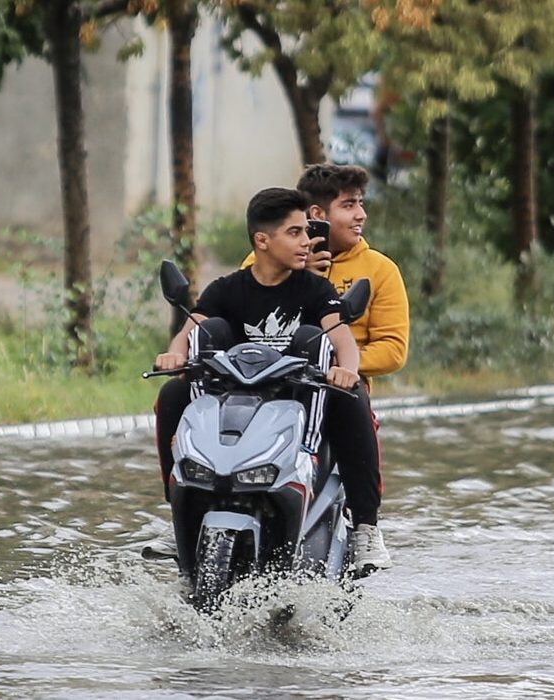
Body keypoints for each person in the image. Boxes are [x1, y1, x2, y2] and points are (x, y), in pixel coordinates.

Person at [153, 187, 392, 575]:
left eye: (307, 232)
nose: (307, 242)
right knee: (173, 392)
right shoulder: (227, 289)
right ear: (262, 240)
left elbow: (341, 337)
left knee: (353, 399)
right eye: (295, 233)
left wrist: (346, 369)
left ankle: (366, 525)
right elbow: (191, 329)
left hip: (301, 397)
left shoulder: (315, 289)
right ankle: (179, 506)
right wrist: (175, 354)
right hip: (238, 401)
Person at [241, 165, 410, 568]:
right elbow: (240, 324)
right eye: (349, 205)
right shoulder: (266, 259)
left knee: (352, 400)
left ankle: (366, 526)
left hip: (334, 387)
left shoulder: (380, 271)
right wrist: (297, 279)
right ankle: (191, 507)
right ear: (317, 215)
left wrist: (335, 365)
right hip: (266, 384)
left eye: (361, 204)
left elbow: (393, 350)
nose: (361, 215)